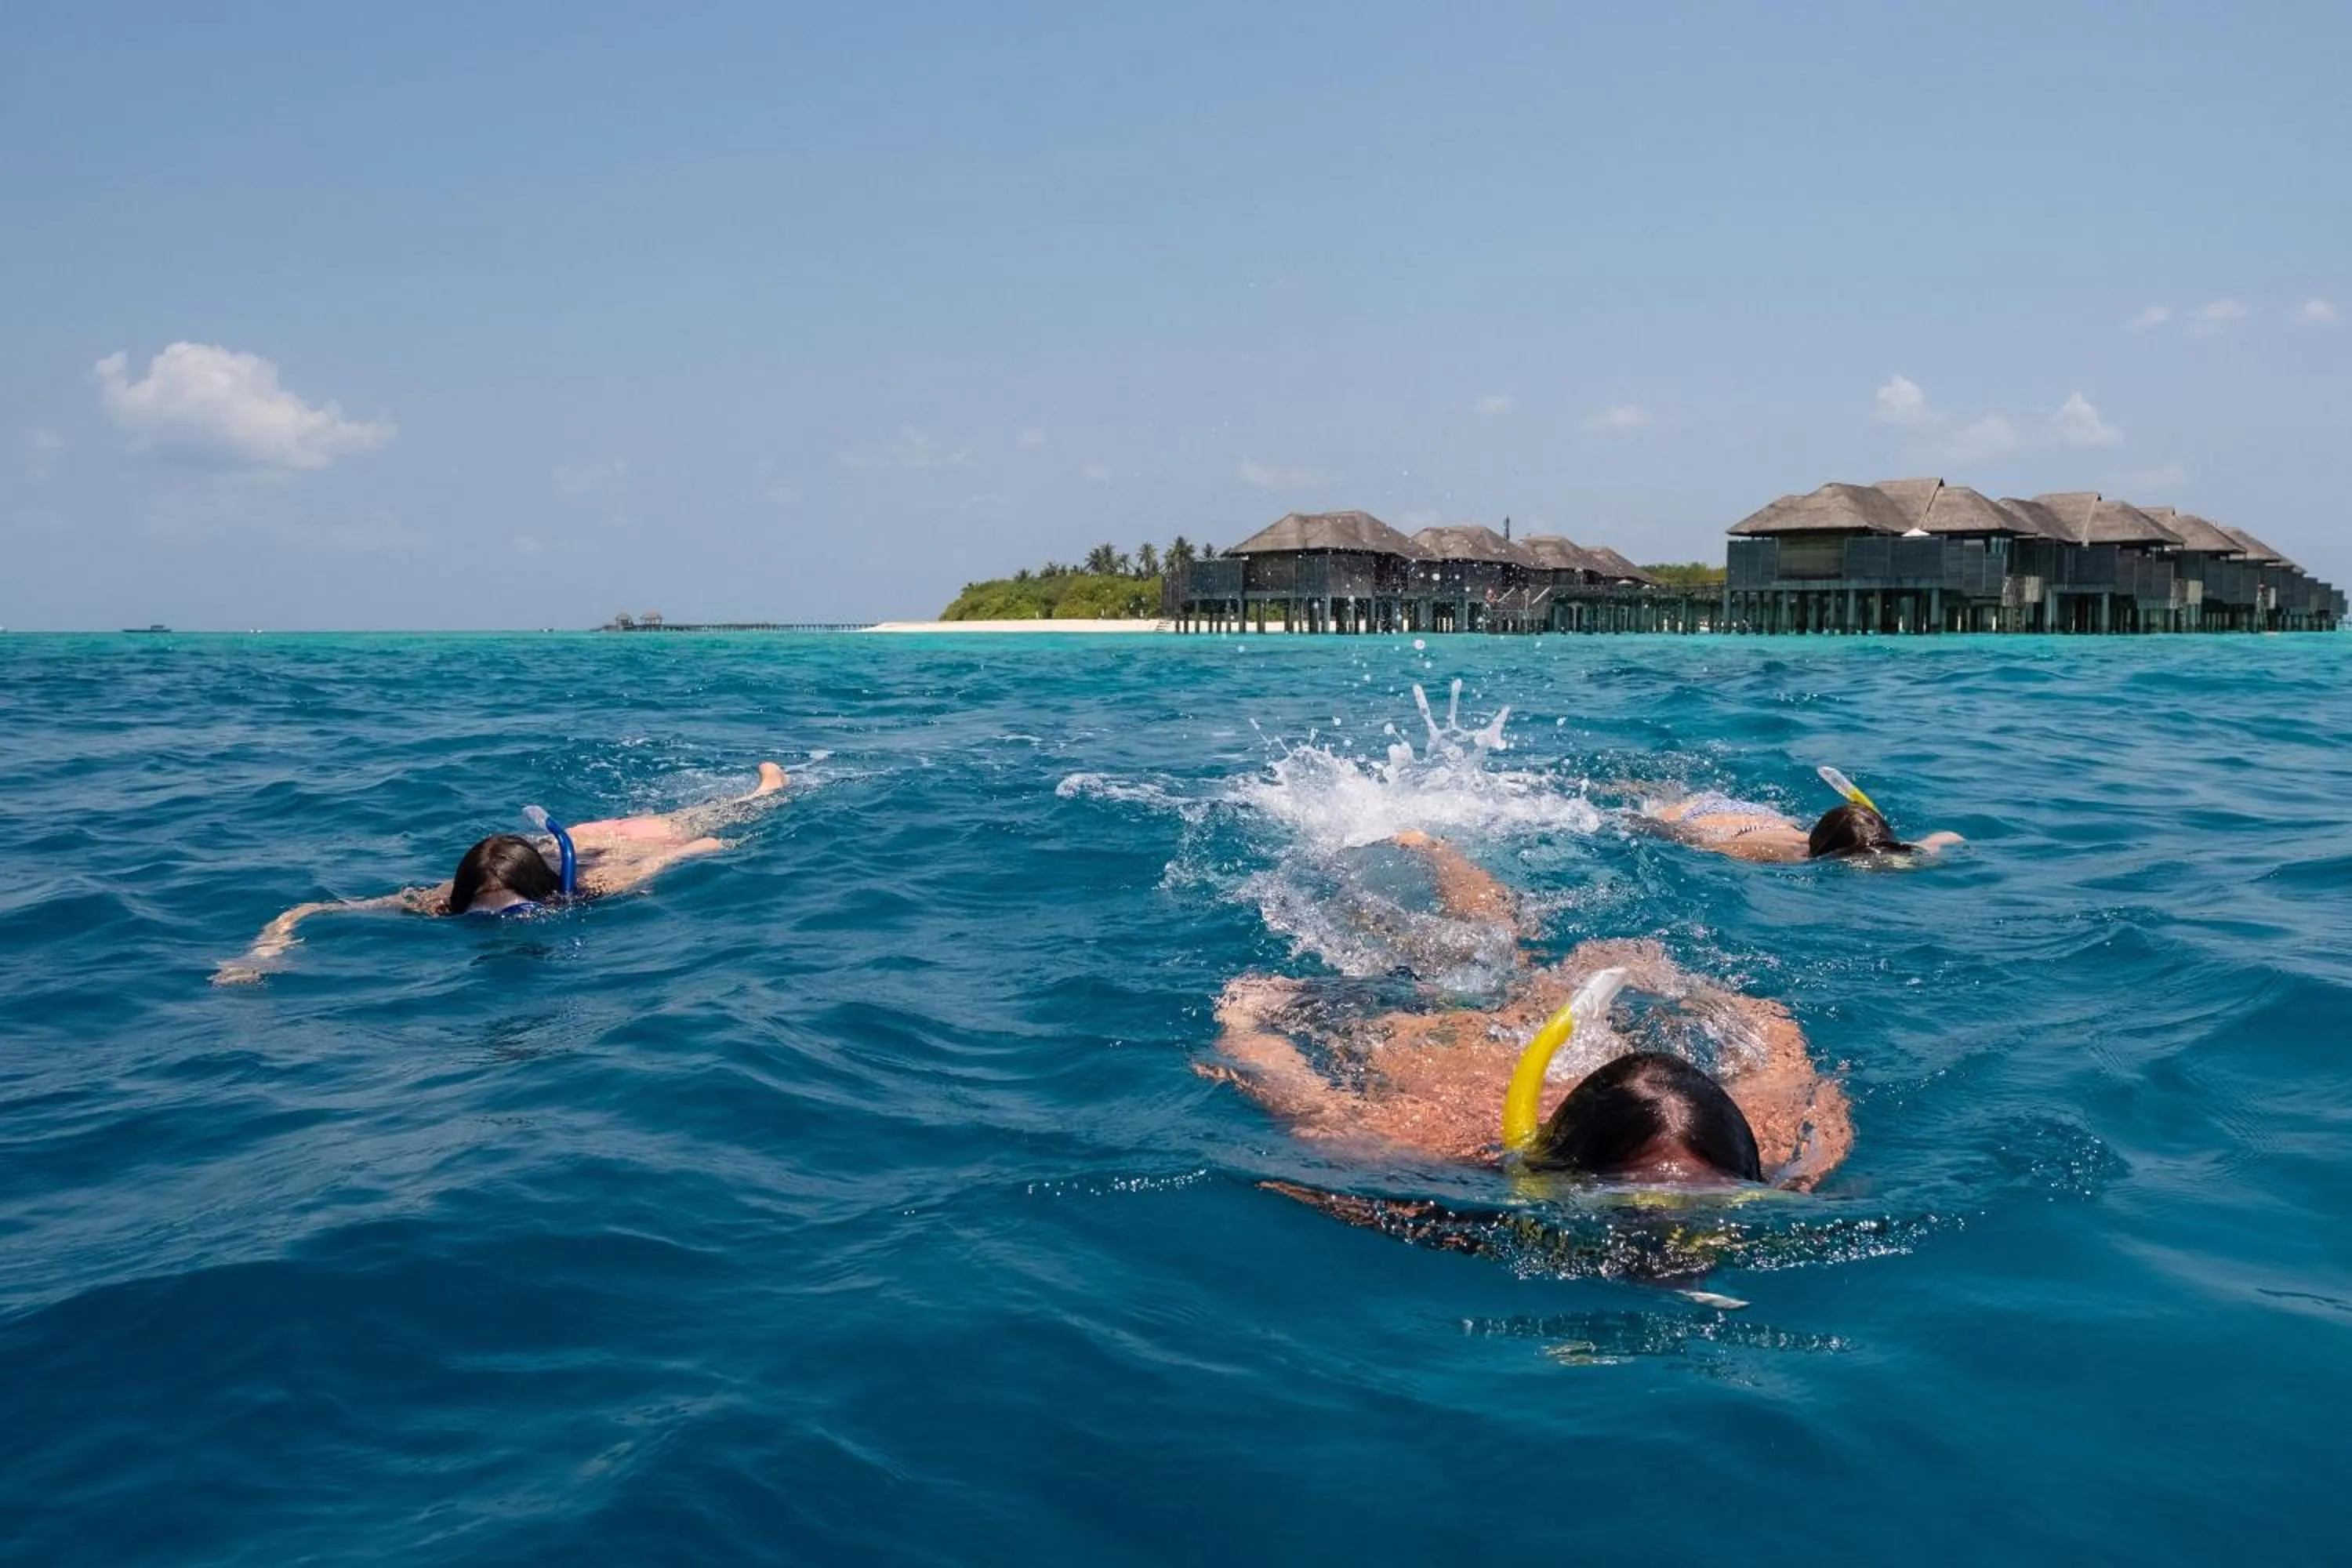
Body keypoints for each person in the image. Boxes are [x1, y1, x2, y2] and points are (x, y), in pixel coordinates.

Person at [1199, 832, 1851, 1191]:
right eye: (1630, 1205)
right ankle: (1429, 848)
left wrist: (1705, 995)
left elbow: (1780, 1045)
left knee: (1506, 948)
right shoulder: (1426, 1142)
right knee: (1468, 949)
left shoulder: (1771, 1149)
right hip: (1453, 1035)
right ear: (1567, 1173)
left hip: (1554, 1052)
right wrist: (1249, 1015)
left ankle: (1440, 850)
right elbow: (1303, 1101)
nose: (1676, 1242)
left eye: (1711, 1209)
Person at [213, 762, 788, 984]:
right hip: (548, 849)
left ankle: (764, 790)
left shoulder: (591, 892)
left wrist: (701, 847)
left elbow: (671, 856)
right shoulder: (439, 902)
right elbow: (312, 908)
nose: (499, 922)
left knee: (675, 827)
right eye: (482, 910)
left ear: (536, 897)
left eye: (511, 910)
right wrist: (263, 952)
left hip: (603, 852)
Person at [1638, 769, 1962, 864]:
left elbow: (1950, 837)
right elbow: (1700, 843)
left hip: (1766, 817)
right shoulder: (1778, 854)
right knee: (1656, 805)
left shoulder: (1881, 846)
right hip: (1709, 819)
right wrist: (1644, 826)